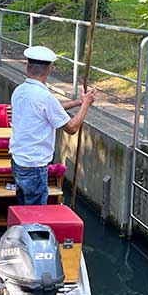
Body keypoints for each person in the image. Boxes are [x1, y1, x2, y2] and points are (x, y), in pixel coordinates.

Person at [9, 46, 96, 205]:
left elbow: (49, 110)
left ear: (27, 67)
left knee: (23, 208)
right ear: (49, 70)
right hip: (35, 165)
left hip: (18, 160)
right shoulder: (45, 97)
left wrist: (77, 102)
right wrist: (85, 105)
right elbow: (72, 128)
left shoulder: (19, 91)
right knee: (35, 213)